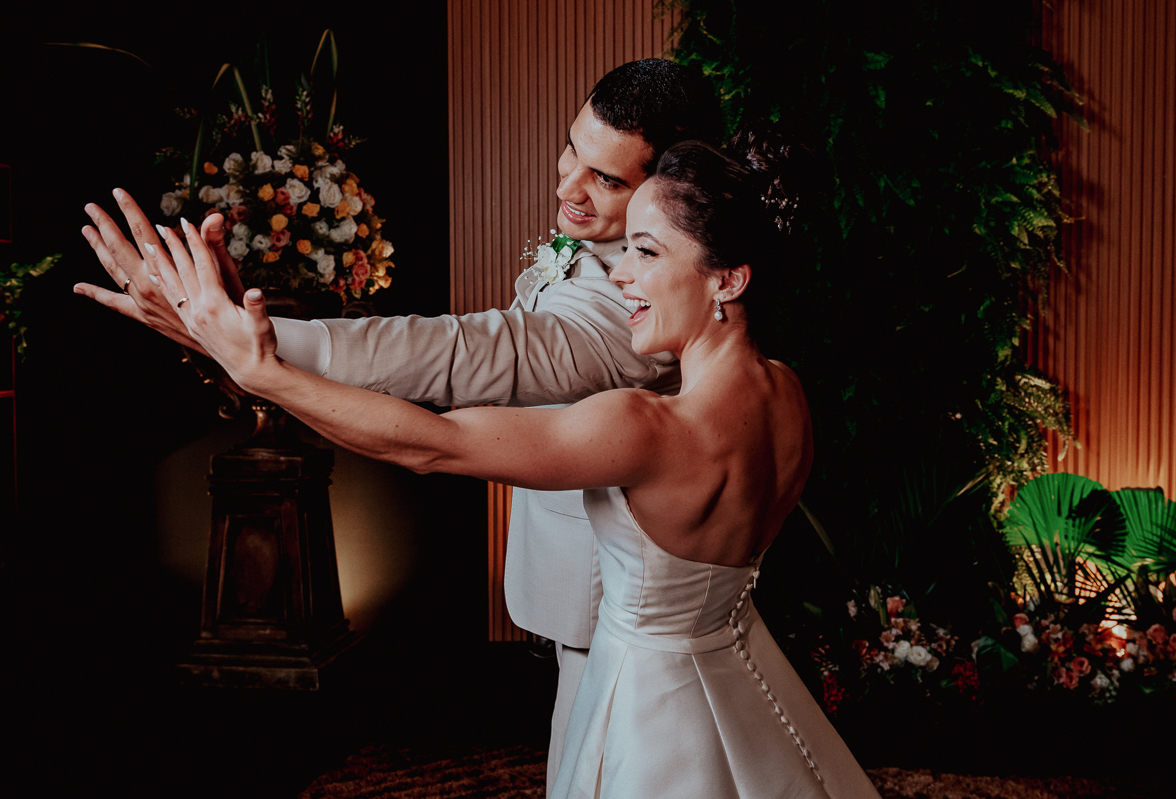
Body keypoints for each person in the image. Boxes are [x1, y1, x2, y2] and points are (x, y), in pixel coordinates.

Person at [112, 137, 880, 798]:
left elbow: (430, 443)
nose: (619, 276)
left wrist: (263, 372)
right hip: (744, 680)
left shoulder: (646, 429)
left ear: (728, 280)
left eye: (646, 253)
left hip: (647, 708)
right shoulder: (788, 396)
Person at [75, 58, 722, 792]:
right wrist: (243, 328)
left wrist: (256, 345)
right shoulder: (624, 255)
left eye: (608, 180)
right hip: (590, 581)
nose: (568, 185)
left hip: (617, 605)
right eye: (573, 148)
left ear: (673, 194)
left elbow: (474, 350)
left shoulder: (632, 315)